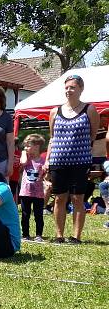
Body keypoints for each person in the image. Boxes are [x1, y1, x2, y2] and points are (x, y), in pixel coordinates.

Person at [44, 75, 99, 244]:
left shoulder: (89, 110)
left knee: (77, 199)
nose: (69, 90)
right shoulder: (55, 111)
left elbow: (92, 135)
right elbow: (52, 138)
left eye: (73, 87)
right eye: (67, 87)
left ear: (81, 89)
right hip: (58, 162)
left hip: (80, 162)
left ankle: (76, 236)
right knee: (60, 198)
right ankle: (59, 235)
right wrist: (47, 160)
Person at [18, 134, 46, 242]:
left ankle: (39, 234)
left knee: (38, 214)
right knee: (25, 214)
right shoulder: (26, 158)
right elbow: (23, 162)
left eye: (28, 146)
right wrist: (24, 152)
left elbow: (45, 174)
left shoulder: (43, 160)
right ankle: (25, 234)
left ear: (37, 146)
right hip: (26, 192)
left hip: (38, 193)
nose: (25, 148)